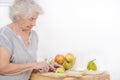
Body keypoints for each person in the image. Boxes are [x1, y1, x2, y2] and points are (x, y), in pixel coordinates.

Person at [0, 0, 62, 80]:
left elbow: (25, 67)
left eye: (35, 19)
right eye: (31, 19)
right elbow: (2, 68)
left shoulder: (34, 36)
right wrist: (34, 65)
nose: (34, 24)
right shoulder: (4, 35)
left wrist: (45, 66)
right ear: (18, 16)